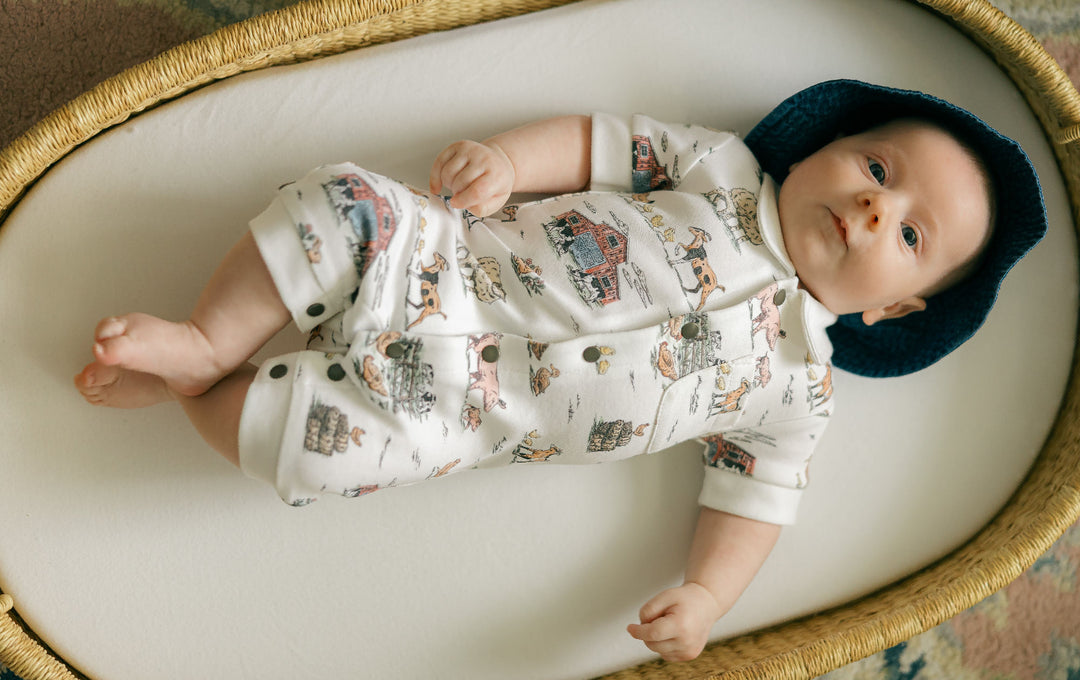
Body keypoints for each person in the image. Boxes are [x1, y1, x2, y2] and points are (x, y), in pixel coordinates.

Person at [73, 80, 1045, 662]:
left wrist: (709, 597)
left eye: (910, 233)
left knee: (303, 452)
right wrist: (508, 160)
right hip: (446, 263)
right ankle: (207, 339)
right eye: (876, 169)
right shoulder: (720, 172)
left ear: (895, 310)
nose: (875, 209)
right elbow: (603, 140)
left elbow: (756, 501)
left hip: (455, 418)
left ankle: (197, 392)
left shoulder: (798, 386)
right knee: (343, 202)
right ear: (823, 147)